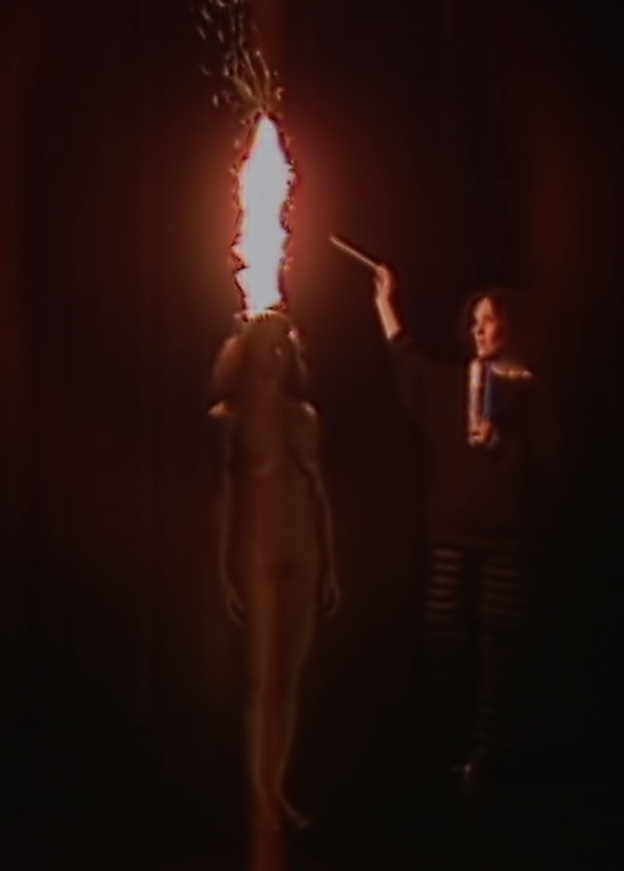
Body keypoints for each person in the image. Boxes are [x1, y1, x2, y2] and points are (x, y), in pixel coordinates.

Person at [373, 264, 540, 790]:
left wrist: (505, 438)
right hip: (451, 537)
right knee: (443, 635)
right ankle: (446, 746)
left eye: (488, 319)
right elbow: (409, 363)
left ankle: (485, 754)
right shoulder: (457, 385)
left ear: (512, 326)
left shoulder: (535, 395)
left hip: (508, 543)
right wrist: (386, 304)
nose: (478, 328)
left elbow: (554, 466)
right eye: (474, 321)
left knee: (500, 644)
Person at [210, 310, 340, 830]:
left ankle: (275, 786)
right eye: (267, 344)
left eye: (284, 346)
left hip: (301, 554)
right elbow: (223, 501)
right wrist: (223, 570)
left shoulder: (304, 417)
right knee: (263, 682)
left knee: (286, 682)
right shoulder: (229, 419)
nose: (277, 354)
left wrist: (329, 567)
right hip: (256, 558)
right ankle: (261, 793)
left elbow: (317, 493)